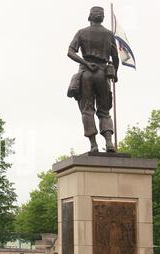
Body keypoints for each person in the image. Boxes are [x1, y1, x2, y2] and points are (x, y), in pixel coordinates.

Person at [67, 6, 120, 153]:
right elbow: (115, 58)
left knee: (87, 110)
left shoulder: (82, 32)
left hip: (86, 73)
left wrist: (85, 63)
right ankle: (109, 142)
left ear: (89, 17)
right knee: (104, 110)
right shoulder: (109, 34)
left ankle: (93, 144)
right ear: (101, 17)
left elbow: (70, 52)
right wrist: (114, 73)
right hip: (102, 73)